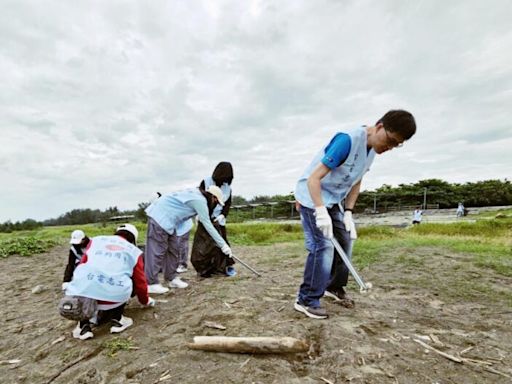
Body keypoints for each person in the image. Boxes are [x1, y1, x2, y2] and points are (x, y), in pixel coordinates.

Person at [294, 110, 416, 319]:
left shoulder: (372, 151)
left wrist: (348, 213)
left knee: (345, 240)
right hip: (312, 196)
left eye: (396, 145)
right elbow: (314, 179)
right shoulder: (347, 140)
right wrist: (320, 211)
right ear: (379, 127)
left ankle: (334, 287)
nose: (389, 148)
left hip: (333, 200)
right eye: (390, 140)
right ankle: (306, 299)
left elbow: (356, 181)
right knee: (322, 246)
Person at [64, 224, 155, 340]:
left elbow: (83, 266)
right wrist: (145, 301)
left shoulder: (96, 241)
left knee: (85, 280)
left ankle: (83, 326)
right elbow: (140, 281)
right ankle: (117, 320)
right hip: (114, 298)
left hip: (87, 297)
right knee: (126, 279)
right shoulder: (134, 251)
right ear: (133, 239)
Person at [144, 185, 233, 293]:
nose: (215, 205)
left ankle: (171, 278)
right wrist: (223, 245)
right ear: (213, 197)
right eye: (216, 202)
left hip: (171, 221)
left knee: (174, 249)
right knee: (157, 251)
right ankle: (151, 283)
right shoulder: (200, 200)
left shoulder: (197, 195)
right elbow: (207, 224)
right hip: (159, 217)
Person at [192, 162, 236, 277]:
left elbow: (227, 204)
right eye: (224, 177)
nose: (225, 181)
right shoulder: (206, 182)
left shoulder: (228, 188)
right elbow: (200, 198)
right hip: (205, 217)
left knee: (222, 243)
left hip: (218, 219)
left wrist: (222, 215)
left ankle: (223, 267)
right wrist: (201, 216)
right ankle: (205, 269)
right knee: (204, 246)